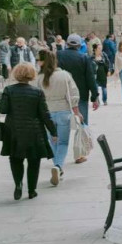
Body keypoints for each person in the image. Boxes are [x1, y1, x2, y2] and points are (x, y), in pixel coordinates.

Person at [0, 63, 56, 200]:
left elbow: (3, 110)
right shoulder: (37, 92)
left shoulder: (8, 90)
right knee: (34, 162)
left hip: (14, 131)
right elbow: (45, 114)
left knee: (15, 159)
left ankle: (18, 184)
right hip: (34, 132)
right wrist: (53, 132)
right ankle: (32, 190)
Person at [35, 50, 80, 186]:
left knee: (53, 142)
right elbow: (73, 93)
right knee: (63, 143)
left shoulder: (39, 78)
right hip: (63, 111)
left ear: (42, 62)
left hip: (47, 113)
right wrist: (76, 110)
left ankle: (57, 166)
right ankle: (58, 167)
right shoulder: (65, 75)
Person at [57, 35, 99, 138]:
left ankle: (59, 149)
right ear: (80, 45)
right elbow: (90, 79)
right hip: (81, 94)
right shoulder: (84, 58)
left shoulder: (57, 55)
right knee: (82, 124)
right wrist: (95, 97)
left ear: (67, 44)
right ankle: (82, 150)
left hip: (61, 94)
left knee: (61, 127)